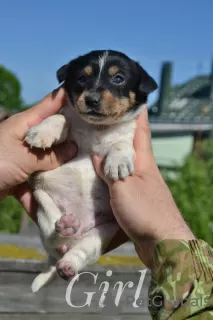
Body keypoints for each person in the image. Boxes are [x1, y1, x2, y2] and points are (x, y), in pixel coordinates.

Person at [0, 87, 212, 319]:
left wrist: (120, 152)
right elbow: (61, 126)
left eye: (116, 82)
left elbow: (122, 148)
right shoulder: (67, 117)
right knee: (43, 199)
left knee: (107, 229)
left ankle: (75, 258)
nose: (95, 96)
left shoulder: (124, 129)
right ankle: (59, 246)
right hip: (57, 204)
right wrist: (169, 231)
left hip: (97, 217)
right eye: (83, 82)